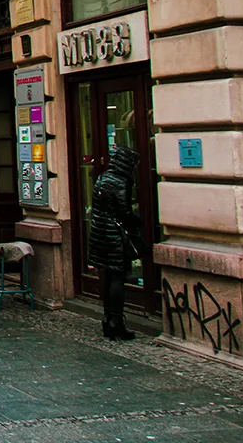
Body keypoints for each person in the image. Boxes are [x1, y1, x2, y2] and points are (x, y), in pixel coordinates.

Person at [89, 146, 141, 341]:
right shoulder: (120, 181)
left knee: (108, 276)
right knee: (118, 276)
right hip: (115, 237)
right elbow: (124, 212)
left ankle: (107, 318)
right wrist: (139, 222)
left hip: (100, 235)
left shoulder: (102, 178)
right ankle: (116, 322)